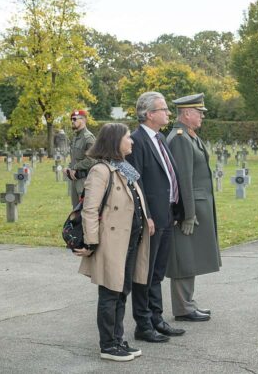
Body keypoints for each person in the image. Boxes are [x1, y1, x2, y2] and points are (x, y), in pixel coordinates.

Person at [76, 123, 151, 362]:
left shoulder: (124, 168)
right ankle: (108, 345)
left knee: (122, 292)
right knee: (110, 293)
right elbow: (90, 210)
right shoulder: (101, 170)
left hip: (130, 241)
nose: (132, 141)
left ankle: (118, 340)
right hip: (110, 243)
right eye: (128, 138)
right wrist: (91, 242)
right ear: (115, 141)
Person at [127, 91, 185, 343]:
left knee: (158, 271)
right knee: (145, 273)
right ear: (149, 114)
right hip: (151, 219)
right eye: (163, 109)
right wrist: (146, 216)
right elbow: (135, 181)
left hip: (167, 215)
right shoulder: (137, 140)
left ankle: (156, 319)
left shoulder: (159, 137)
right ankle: (143, 324)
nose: (168, 113)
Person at [166, 94, 221, 322]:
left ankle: (187, 303)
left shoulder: (189, 135)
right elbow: (184, 179)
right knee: (184, 258)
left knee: (191, 256)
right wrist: (188, 214)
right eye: (199, 112)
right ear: (187, 113)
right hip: (190, 209)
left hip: (199, 205)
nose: (202, 116)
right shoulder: (180, 138)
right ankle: (183, 307)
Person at [65, 110, 96, 208]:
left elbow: (92, 159)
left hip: (84, 181)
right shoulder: (76, 138)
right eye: (71, 119)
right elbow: (75, 159)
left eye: (74, 119)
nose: (72, 121)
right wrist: (69, 169)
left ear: (83, 120)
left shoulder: (88, 138)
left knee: (85, 210)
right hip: (75, 180)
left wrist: (76, 167)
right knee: (76, 211)